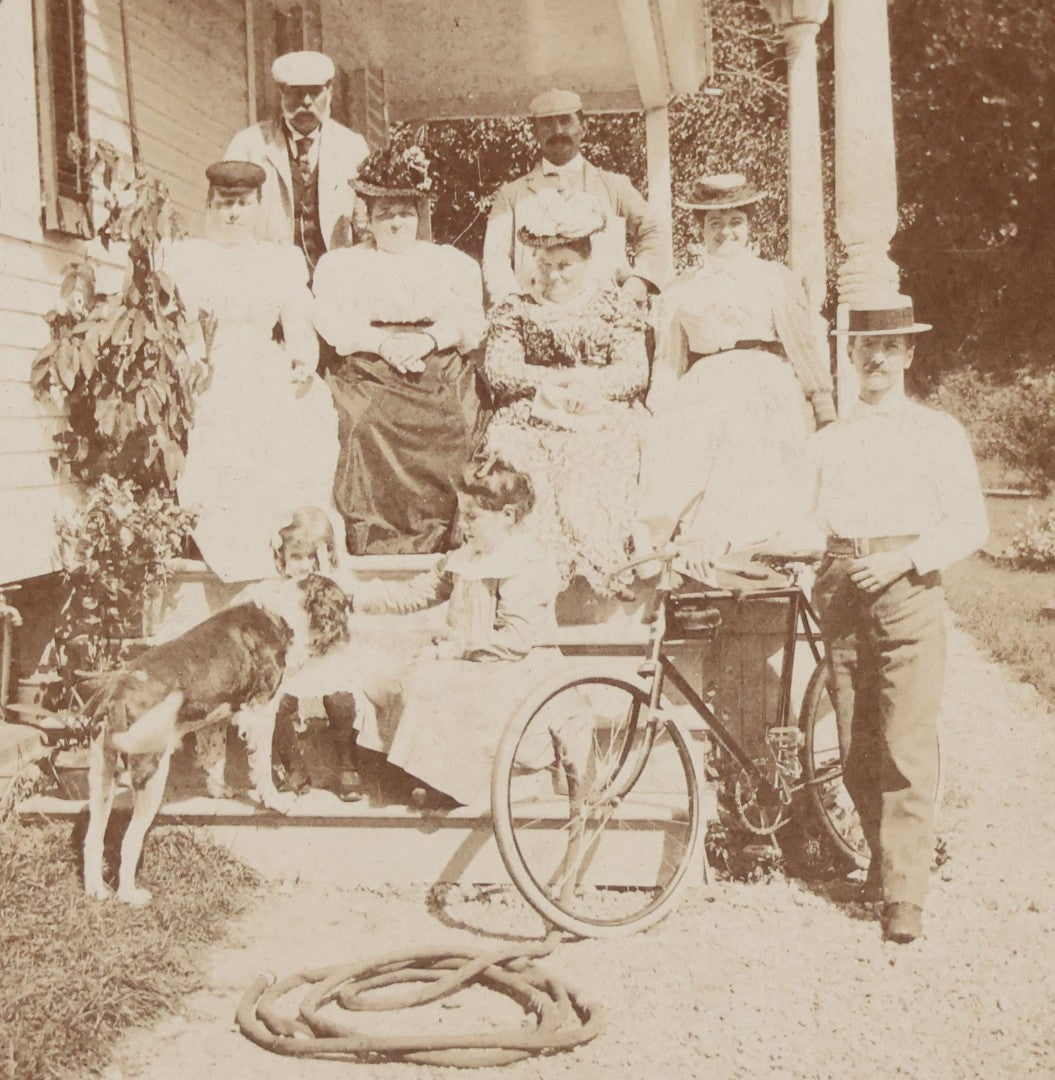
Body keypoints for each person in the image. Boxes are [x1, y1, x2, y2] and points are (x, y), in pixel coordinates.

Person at [804, 300, 988, 944]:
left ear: (909, 354)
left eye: (888, 346)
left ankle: (904, 895)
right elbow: (806, 520)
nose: (875, 358)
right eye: (864, 346)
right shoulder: (828, 440)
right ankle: (885, 866)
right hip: (841, 592)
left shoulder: (937, 433)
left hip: (908, 588)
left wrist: (902, 560)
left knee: (906, 742)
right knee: (857, 748)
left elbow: (970, 524)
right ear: (850, 355)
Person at [634, 173, 837, 575]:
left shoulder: (774, 278)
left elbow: (801, 344)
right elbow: (669, 361)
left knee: (752, 446)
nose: (725, 232)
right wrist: (657, 409)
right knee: (675, 448)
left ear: (749, 226)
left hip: (766, 380)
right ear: (700, 230)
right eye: (714, 224)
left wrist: (822, 402)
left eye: (734, 222)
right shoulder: (680, 288)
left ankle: (737, 543)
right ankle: (657, 548)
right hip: (704, 383)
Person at [332, 457, 561, 808]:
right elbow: (413, 593)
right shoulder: (466, 557)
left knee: (431, 681)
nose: (464, 525)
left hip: (514, 669)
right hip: (471, 660)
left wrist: (453, 651)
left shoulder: (524, 562)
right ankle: (418, 774)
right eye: (463, 515)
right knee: (394, 679)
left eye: (473, 517)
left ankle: (458, 782)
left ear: (508, 516)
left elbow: (516, 640)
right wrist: (355, 596)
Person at [166, 161, 340, 584]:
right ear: (209, 206)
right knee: (220, 444)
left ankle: (289, 548)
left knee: (290, 428)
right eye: (224, 204)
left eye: (242, 204)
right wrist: (193, 355)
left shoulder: (278, 259)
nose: (232, 214)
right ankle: (235, 553)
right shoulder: (190, 257)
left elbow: (296, 314)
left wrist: (302, 356)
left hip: (265, 363)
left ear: (258, 206)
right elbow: (182, 317)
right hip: (212, 362)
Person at [313, 144, 486, 556]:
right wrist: (384, 344)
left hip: (436, 359)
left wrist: (427, 340)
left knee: (458, 421)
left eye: (404, 212)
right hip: (368, 364)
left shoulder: (448, 262)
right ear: (368, 218)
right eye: (384, 212)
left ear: (419, 215)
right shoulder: (343, 265)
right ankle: (378, 542)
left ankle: (449, 534)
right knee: (362, 422)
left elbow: (468, 320)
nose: (395, 222)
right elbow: (334, 320)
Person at [479, 189, 650, 600]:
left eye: (567, 265)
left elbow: (634, 371)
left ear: (587, 263)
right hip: (532, 411)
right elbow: (500, 369)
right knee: (520, 452)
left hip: (599, 409)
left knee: (597, 449)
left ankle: (600, 562)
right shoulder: (516, 309)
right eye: (547, 265)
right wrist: (553, 383)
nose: (556, 276)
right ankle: (532, 576)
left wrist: (586, 386)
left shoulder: (613, 307)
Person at [482, 89, 669, 306]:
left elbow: (654, 230)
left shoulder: (615, 186)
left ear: (583, 128)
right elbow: (495, 256)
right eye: (547, 124)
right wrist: (510, 301)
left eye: (565, 121)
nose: (557, 131)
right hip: (536, 315)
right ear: (535, 132)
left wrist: (640, 280)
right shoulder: (512, 195)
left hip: (606, 312)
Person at [224, 50, 369, 281]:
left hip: (336, 282)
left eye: (315, 92)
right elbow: (226, 218)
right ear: (281, 93)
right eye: (297, 93)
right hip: (268, 279)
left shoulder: (352, 148)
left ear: (329, 91)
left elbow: (366, 225)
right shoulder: (249, 145)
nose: (306, 102)